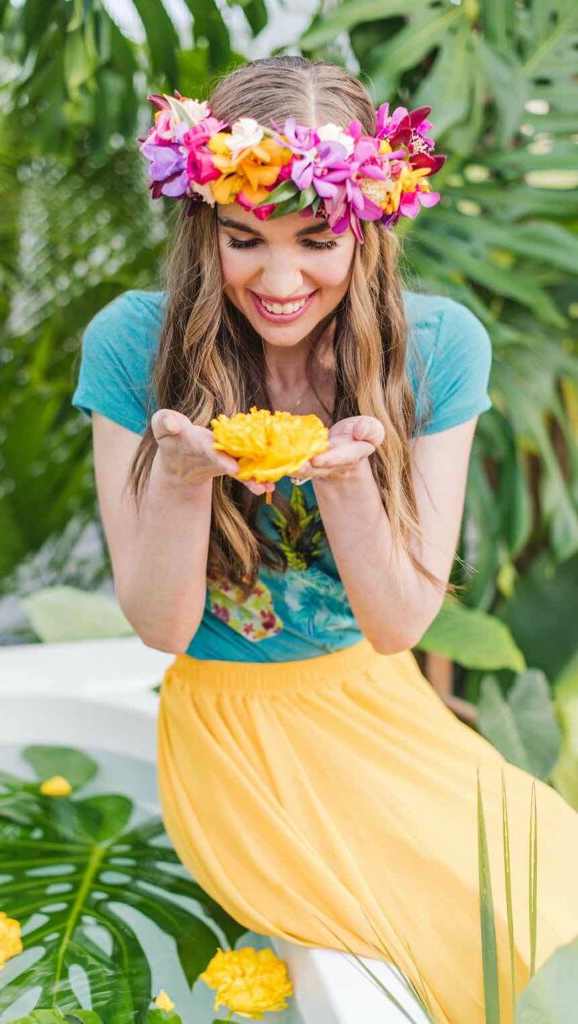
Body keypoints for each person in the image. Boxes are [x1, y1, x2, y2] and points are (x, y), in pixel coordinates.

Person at [72, 56, 578, 1024]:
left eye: (317, 239)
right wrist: (181, 482)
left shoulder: (437, 345)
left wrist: (348, 483)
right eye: (243, 237)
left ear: (371, 228)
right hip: (234, 733)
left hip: (380, 704)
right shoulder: (137, 343)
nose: (280, 277)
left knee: (550, 907)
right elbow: (163, 627)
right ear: (202, 227)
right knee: (422, 951)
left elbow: (398, 624)